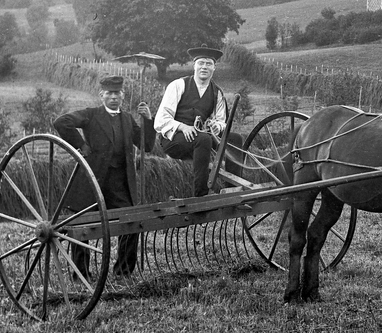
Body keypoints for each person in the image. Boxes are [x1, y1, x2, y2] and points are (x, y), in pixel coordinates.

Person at [53, 75, 154, 276]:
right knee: (83, 225)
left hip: (119, 184)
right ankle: (81, 273)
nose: (114, 97)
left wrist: (148, 120)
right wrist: (81, 145)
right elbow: (61, 122)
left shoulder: (127, 119)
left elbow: (146, 145)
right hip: (92, 180)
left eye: (117, 93)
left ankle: (123, 272)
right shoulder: (91, 115)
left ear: (123, 95)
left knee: (131, 222)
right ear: (102, 95)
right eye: (109, 93)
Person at [154, 45, 243, 198]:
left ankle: (233, 188)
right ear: (194, 65)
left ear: (214, 68)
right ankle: (201, 193)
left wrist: (217, 126)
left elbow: (222, 121)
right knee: (203, 139)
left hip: (200, 138)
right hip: (173, 140)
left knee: (235, 139)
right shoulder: (178, 85)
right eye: (201, 63)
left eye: (209, 64)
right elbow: (160, 120)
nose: (204, 67)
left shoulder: (217, 93)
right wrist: (182, 127)